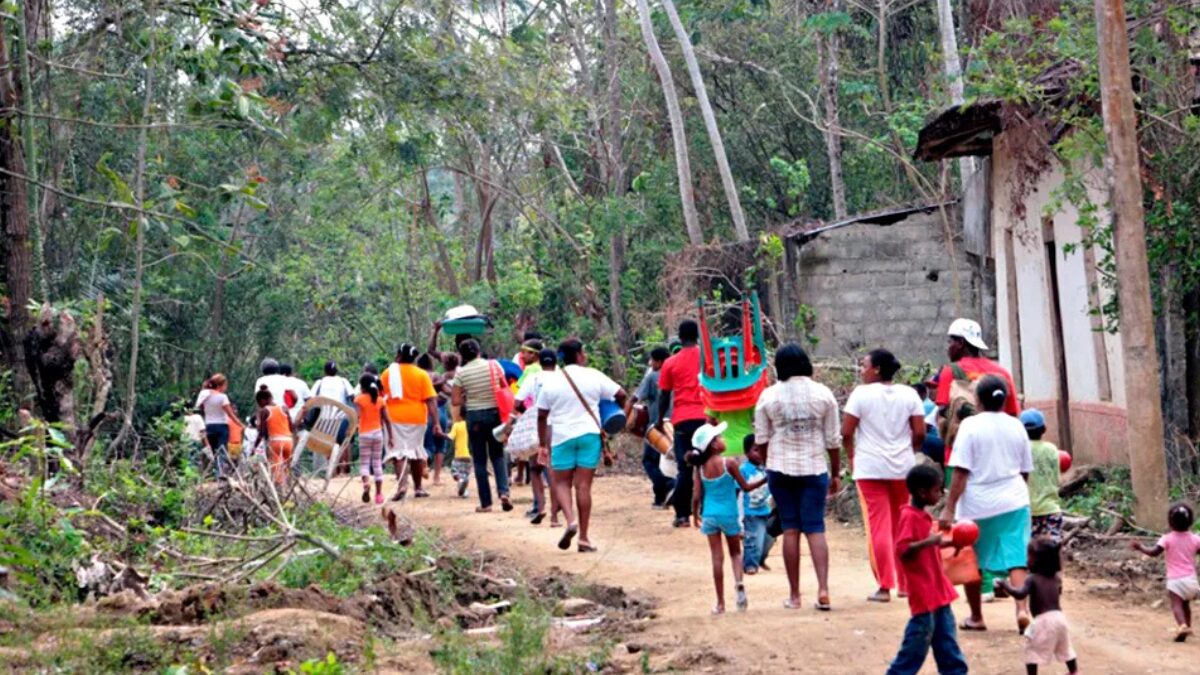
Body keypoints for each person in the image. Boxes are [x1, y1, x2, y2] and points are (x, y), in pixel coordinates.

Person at [940, 374, 1034, 633]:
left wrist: (949, 508)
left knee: (973, 560)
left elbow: (961, 472)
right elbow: (1025, 470)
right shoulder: (1017, 425)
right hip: (1013, 499)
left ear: (977, 399)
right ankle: (1022, 610)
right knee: (1017, 557)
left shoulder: (970, 426)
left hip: (977, 504)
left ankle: (976, 616)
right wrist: (1016, 493)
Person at [752, 343, 841, 611]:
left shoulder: (769, 396)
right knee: (815, 528)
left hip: (780, 467)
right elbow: (833, 441)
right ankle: (823, 589)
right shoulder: (823, 394)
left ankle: (795, 595)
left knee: (790, 528)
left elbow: (762, 439)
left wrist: (769, 466)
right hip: (814, 468)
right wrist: (835, 473)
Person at [842, 349, 926, 603]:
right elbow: (920, 432)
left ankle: (884, 585)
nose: (862, 370)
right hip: (903, 467)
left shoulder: (861, 395)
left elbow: (846, 431)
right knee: (903, 524)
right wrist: (908, 451)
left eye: (864, 365)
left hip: (870, 467)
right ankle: (905, 584)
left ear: (876, 369)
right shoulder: (909, 394)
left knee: (878, 526)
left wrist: (852, 457)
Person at [536, 338, 627, 552]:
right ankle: (584, 538)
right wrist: (614, 415)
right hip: (589, 435)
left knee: (561, 484)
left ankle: (570, 521)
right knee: (584, 486)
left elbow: (541, 415)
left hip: (561, 437)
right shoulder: (593, 375)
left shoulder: (551, 381)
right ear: (579, 355)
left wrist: (542, 444)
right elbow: (621, 394)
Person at [886, 464, 967, 675]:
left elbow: (929, 543)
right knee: (915, 646)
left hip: (938, 591)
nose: (940, 494)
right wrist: (929, 541)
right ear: (922, 492)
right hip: (923, 593)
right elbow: (903, 549)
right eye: (937, 490)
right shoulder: (909, 516)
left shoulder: (922, 516)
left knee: (947, 642)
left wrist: (950, 543)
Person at [690, 422, 765, 614]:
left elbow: (697, 496)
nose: (723, 440)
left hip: (710, 516)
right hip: (729, 514)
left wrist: (695, 515)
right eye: (719, 438)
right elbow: (746, 488)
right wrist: (766, 478)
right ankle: (739, 584)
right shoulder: (729, 463)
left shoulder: (699, 469)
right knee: (735, 553)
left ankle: (720, 603)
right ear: (714, 445)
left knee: (717, 557)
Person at [997, 538, 1078, 674]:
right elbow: (1058, 592)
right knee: (1064, 646)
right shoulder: (1056, 578)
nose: (1026, 559)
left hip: (1044, 620)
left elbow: (1020, 594)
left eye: (1029, 556)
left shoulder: (1032, 578)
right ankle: (1074, 671)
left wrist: (1005, 585)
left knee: (1032, 650)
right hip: (1060, 617)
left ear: (1037, 560)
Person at [657, 320, 708, 528]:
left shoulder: (670, 363)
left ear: (680, 337)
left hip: (682, 420)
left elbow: (664, 395)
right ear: (697, 336)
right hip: (707, 417)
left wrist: (660, 418)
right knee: (707, 465)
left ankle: (682, 516)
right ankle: (707, 510)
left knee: (684, 469)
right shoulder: (708, 359)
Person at [452, 338, 512, 513]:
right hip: (494, 414)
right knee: (498, 455)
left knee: (479, 460)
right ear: (479, 350)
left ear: (462, 355)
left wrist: (469, 396)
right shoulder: (493, 366)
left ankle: (486, 503)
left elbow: (455, 400)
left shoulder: (461, 373)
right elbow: (504, 387)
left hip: (474, 417)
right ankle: (503, 492)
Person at [1131, 503, 1200, 642]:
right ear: (1191, 521)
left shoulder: (1167, 538)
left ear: (1170, 522)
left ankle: (1182, 625)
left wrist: (1140, 547)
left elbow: (1154, 552)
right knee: (1186, 604)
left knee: (1176, 604)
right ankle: (1186, 626)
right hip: (1191, 580)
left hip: (1175, 580)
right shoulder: (1195, 539)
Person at [380, 344, 440, 501]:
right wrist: (436, 422)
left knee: (398, 453)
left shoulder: (387, 374)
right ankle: (418, 488)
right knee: (416, 452)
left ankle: (402, 486)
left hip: (394, 418)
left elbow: (380, 397)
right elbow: (431, 400)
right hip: (417, 418)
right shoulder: (421, 374)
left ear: (398, 355)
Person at [512, 348, 560, 524]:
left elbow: (517, 403)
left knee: (535, 469)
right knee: (552, 469)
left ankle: (540, 507)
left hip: (537, 425)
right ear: (555, 362)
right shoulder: (562, 377)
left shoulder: (533, 378)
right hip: (558, 426)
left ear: (539, 361)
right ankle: (555, 516)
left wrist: (529, 412)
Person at [627, 346, 675, 509]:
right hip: (678, 423)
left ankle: (669, 485)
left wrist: (624, 417)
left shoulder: (653, 377)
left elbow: (635, 398)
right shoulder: (678, 373)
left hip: (658, 425)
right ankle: (661, 497)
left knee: (650, 461)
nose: (650, 363)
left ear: (659, 362)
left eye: (653, 360)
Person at [1021, 409, 1064, 542]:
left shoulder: (1021, 448)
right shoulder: (1052, 449)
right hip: (1050, 509)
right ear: (1044, 429)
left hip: (1026, 511)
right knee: (1052, 550)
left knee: (1030, 552)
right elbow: (1057, 480)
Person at [355, 374, 394, 505]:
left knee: (365, 463)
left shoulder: (359, 400)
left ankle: (366, 483)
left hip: (364, 434)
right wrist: (391, 437)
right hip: (378, 434)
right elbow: (387, 420)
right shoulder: (381, 400)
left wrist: (354, 428)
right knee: (377, 463)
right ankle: (378, 494)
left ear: (362, 387)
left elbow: (358, 417)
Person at [195, 374, 243, 478]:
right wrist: (241, 425)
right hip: (222, 427)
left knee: (210, 452)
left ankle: (207, 475)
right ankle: (220, 474)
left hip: (209, 426)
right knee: (221, 451)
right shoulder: (222, 397)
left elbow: (200, 408)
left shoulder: (204, 394)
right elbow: (230, 414)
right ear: (222, 385)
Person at [740, 435, 774, 575]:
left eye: (762, 449)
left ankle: (760, 559)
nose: (760, 453)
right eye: (755, 450)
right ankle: (750, 564)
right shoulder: (743, 469)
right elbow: (740, 491)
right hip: (752, 511)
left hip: (767, 509)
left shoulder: (767, 467)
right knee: (754, 539)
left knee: (768, 539)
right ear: (747, 453)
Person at [252, 385, 296, 485]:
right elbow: (291, 427)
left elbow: (262, 432)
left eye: (259, 403)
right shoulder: (284, 408)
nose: (259, 405)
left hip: (275, 442)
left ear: (262, 400)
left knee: (275, 470)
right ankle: (288, 488)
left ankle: (278, 490)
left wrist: (254, 447)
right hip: (288, 441)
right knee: (286, 468)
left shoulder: (265, 410)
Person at [417, 353, 448, 485]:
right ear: (431, 364)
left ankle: (424, 462)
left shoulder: (418, 376)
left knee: (426, 444)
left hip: (425, 412)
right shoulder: (436, 376)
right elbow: (448, 392)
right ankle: (437, 477)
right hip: (440, 411)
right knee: (440, 445)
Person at [446, 413, 472, 498]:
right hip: (468, 456)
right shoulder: (471, 425)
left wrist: (441, 434)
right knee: (465, 474)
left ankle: (461, 481)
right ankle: (464, 491)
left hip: (459, 455)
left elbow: (450, 437)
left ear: (460, 415)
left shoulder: (457, 425)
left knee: (455, 473)